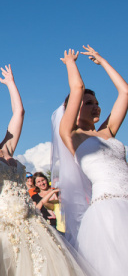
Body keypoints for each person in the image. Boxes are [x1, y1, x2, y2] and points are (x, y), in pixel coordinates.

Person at [0, 65, 87, 276]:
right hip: (3, 227)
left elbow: (19, 112)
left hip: (33, 222)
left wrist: (11, 84)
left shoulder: (6, 148)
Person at [55, 46, 128, 275]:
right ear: (73, 110)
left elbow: (125, 92)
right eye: (88, 103)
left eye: (96, 101)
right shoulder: (72, 135)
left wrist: (103, 61)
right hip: (109, 207)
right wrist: (70, 63)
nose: (96, 105)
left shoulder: (107, 132)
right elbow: (77, 88)